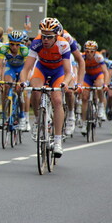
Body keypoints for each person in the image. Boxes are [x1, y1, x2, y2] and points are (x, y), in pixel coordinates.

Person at [19, 17, 72, 157]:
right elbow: (26, 69)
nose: (45, 40)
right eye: (43, 36)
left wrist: (65, 83)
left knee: (58, 100)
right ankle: (37, 119)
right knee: (35, 91)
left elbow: (68, 72)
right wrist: (24, 82)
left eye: (49, 37)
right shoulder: (36, 43)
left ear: (56, 36)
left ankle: (58, 140)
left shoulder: (63, 44)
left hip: (58, 72)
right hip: (42, 69)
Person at [0, 30, 29, 130]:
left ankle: (22, 116)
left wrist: (24, 81)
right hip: (11, 68)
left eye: (17, 45)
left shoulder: (24, 50)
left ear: (20, 44)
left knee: (19, 90)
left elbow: (27, 68)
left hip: (21, 69)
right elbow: (0, 66)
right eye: (12, 44)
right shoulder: (4, 48)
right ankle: (4, 115)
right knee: (6, 87)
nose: (14, 47)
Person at [77, 40, 109, 135]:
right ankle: (84, 122)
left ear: (95, 51)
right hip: (87, 76)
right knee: (85, 97)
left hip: (98, 75)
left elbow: (105, 71)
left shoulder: (98, 57)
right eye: (87, 51)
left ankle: (100, 105)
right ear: (84, 51)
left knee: (99, 86)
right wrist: (79, 83)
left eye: (91, 51)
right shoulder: (82, 57)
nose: (89, 53)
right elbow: (79, 71)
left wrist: (105, 84)